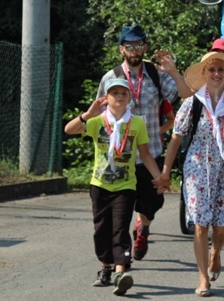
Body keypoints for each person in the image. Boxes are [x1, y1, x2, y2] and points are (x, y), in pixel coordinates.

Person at [97, 25, 192, 261]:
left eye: (139, 45)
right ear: (122, 49)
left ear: (145, 47)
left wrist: (174, 72)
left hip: (150, 153)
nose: (134, 50)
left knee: (153, 202)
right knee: (120, 209)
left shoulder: (156, 75)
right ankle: (122, 256)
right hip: (120, 157)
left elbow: (187, 96)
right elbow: (100, 113)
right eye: (129, 46)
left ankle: (143, 227)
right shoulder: (111, 78)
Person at [65, 78, 167, 296]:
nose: (119, 96)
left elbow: (146, 154)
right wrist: (88, 113)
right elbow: (69, 129)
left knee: (120, 228)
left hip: (126, 185)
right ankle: (106, 268)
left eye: (123, 93)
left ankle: (121, 272)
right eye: (114, 93)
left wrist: (159, 177)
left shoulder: (137, 123)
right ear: (106, 98)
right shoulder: (97, 121)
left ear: (129, 98)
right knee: (101, 230)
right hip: (99, 185)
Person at [161, 51, 224, 297]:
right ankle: (202, 278)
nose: (216, 74)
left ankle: (216, 252)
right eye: (211, 70)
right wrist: (166, 171)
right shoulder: (193, 103)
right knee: (200, 225)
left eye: (220, 70)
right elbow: (176, 138)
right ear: (204, 74)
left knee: (220, 228)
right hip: (197, 169)